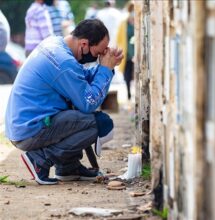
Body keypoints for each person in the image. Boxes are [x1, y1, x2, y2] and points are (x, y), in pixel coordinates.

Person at [5, 19, 123, 185]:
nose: (97, 58)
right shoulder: (64, 62)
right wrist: (105, 69)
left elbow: (80, 78)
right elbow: (88, 103)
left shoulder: (55, 44)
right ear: (84, 44)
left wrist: (106, 66)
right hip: (30, 130)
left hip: (22, 125)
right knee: (99, 124)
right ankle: (39, 160)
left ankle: (68, 168)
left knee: (77, 116)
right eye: (97, 54)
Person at [117, 2, 135, 100]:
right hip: (127, 53)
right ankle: (128, 94)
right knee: (127, 75)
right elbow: (119, 39)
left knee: (135, 74)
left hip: (136, 53)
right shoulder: (124, 23)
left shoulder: (138, 22)